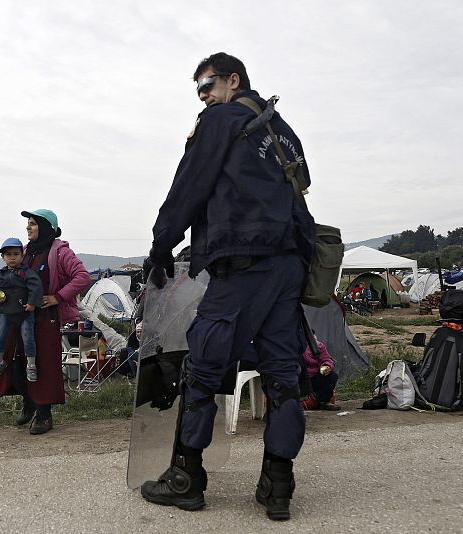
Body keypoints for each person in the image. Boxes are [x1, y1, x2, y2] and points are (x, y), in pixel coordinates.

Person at [141, 53, 315, 521]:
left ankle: (186, 478)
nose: (201, 94)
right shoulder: (282, 129)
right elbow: (303, 184)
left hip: (243, 263)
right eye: (197, 88)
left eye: (207, 83)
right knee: (282, 374)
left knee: (203, 368)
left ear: (233, 80)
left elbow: (189, 186)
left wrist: (162, 245)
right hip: (288, 264)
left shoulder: (219, 120)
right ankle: (278, 484)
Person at [14, 209, 89, 434]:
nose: (28, 227)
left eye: (33, 223)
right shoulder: (25, 252)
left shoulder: (60, 252)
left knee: (44, 365)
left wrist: (57, 297)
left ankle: (44, 415)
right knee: (20, 361)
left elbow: (82, 277)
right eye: (28, 223)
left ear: (46, 227)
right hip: (23, 316)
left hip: (47, 318)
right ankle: (29, 402)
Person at [0, 238, 43, 384]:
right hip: (6, 313)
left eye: (15, 254)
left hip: (24, 312)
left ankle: (31, 365)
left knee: (28, 337)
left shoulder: (27, 272)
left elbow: (36, 287)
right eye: (8, 254)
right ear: (3, 257)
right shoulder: (0, 274)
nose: (12, 257)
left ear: (22, 256)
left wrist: (32, 303)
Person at [301, 336, 341, 411]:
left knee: (332, 376)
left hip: (313, 377)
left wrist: (327, 366)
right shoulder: (291, 346)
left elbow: (327, 359)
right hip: (299, 378)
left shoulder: (318, 346)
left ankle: (323, 402)